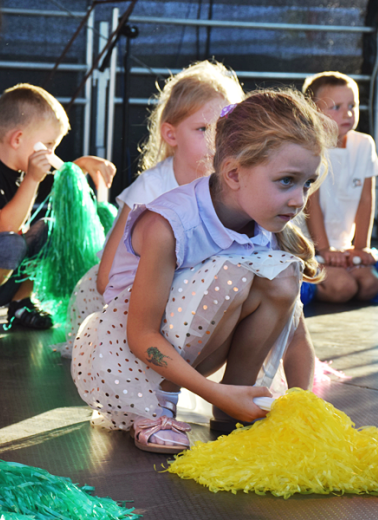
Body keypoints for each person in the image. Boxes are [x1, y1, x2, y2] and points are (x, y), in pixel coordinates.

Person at [72, 90, 337, 454]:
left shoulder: (268, 223)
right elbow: (140, 335)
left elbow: (295, 329)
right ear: (233, 173)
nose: (298, 199)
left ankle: (233, 406)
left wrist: (303, 406)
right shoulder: (171, 224)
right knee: (236, 274)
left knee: (283, 276)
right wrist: (214, 391)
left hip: (190, 347)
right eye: (286, 181)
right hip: (128, 359)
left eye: (307, 183)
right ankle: (161, 403)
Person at [63, 61, 244, 353]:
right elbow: (106, 278)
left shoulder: (231, 185)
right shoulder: (149, 190)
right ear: (171, 135)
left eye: (225, 129)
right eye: (202, 129)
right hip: (132, 304)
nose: (216, 142)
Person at [0, 83, 115, 333]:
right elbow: (7, 226)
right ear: (17, 139)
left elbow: (63, 176)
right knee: (11, 240)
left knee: (50, 230)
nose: (51, 154)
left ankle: (21, 303)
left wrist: (81, 165)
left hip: (8, 274)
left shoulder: (26, 172)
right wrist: (33, 180)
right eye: (48, 145)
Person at [301, 71, 378, 303]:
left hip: (342, 244)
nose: (347, 113)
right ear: (312, 111)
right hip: (313, 242)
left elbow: (366, 200)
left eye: (352, 105)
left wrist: (361, 247)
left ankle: (341, 261)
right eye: (335, 107)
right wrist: (324, 250)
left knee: (371, 284)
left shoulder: (364, 144)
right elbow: (311, 203)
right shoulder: (310, 147)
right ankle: (310, 276)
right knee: (342, 289)